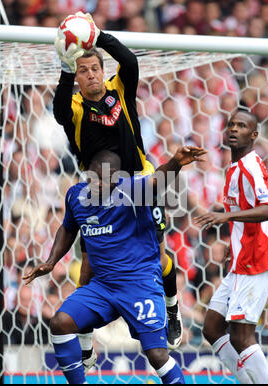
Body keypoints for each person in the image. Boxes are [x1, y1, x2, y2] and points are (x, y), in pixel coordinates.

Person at [53, 11, 183, 363]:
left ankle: (171, 310)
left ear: (101, 70)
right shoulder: (76, 106)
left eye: (95, 67)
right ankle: (83, 342)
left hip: (140, 182)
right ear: (77, 77)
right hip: (97, 188)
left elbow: (128, 60)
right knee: (89, 264)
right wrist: (66, 69)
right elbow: (59, 110)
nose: (91, 74)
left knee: (157, 253)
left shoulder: (119, 89)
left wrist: (98, 35)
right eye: (83, 70)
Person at [23, 146, 206, 384]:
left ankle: (172, 309)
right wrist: (51, 261)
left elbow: (156, 182)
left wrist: (176, 162)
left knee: (157, 354)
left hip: (139, 284)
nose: (97, 183)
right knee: (60, 323)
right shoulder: (76, 196)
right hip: (104, 287)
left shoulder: (131, 191)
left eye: (105, 179)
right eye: (93, 177)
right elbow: (68, 228)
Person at [194, 110, 268, 384]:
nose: (234, 129)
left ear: (253, 135)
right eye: (231, 124)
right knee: (212, 327)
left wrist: (226, 216)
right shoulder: (234, 166)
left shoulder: (250, 166)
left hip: (257, 260)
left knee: (241, 335)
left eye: (242, 126)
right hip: (242, 259)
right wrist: (234, 241)